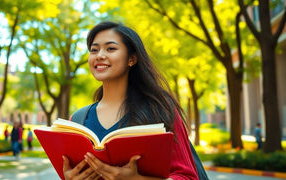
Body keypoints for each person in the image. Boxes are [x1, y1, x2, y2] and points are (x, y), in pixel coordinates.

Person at [63, 21, 198, 180]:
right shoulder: (77, 120)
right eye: (94, 50)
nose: (99, 55)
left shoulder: (161, 110)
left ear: (132, 59)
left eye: (110, 48)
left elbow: (188, 177)